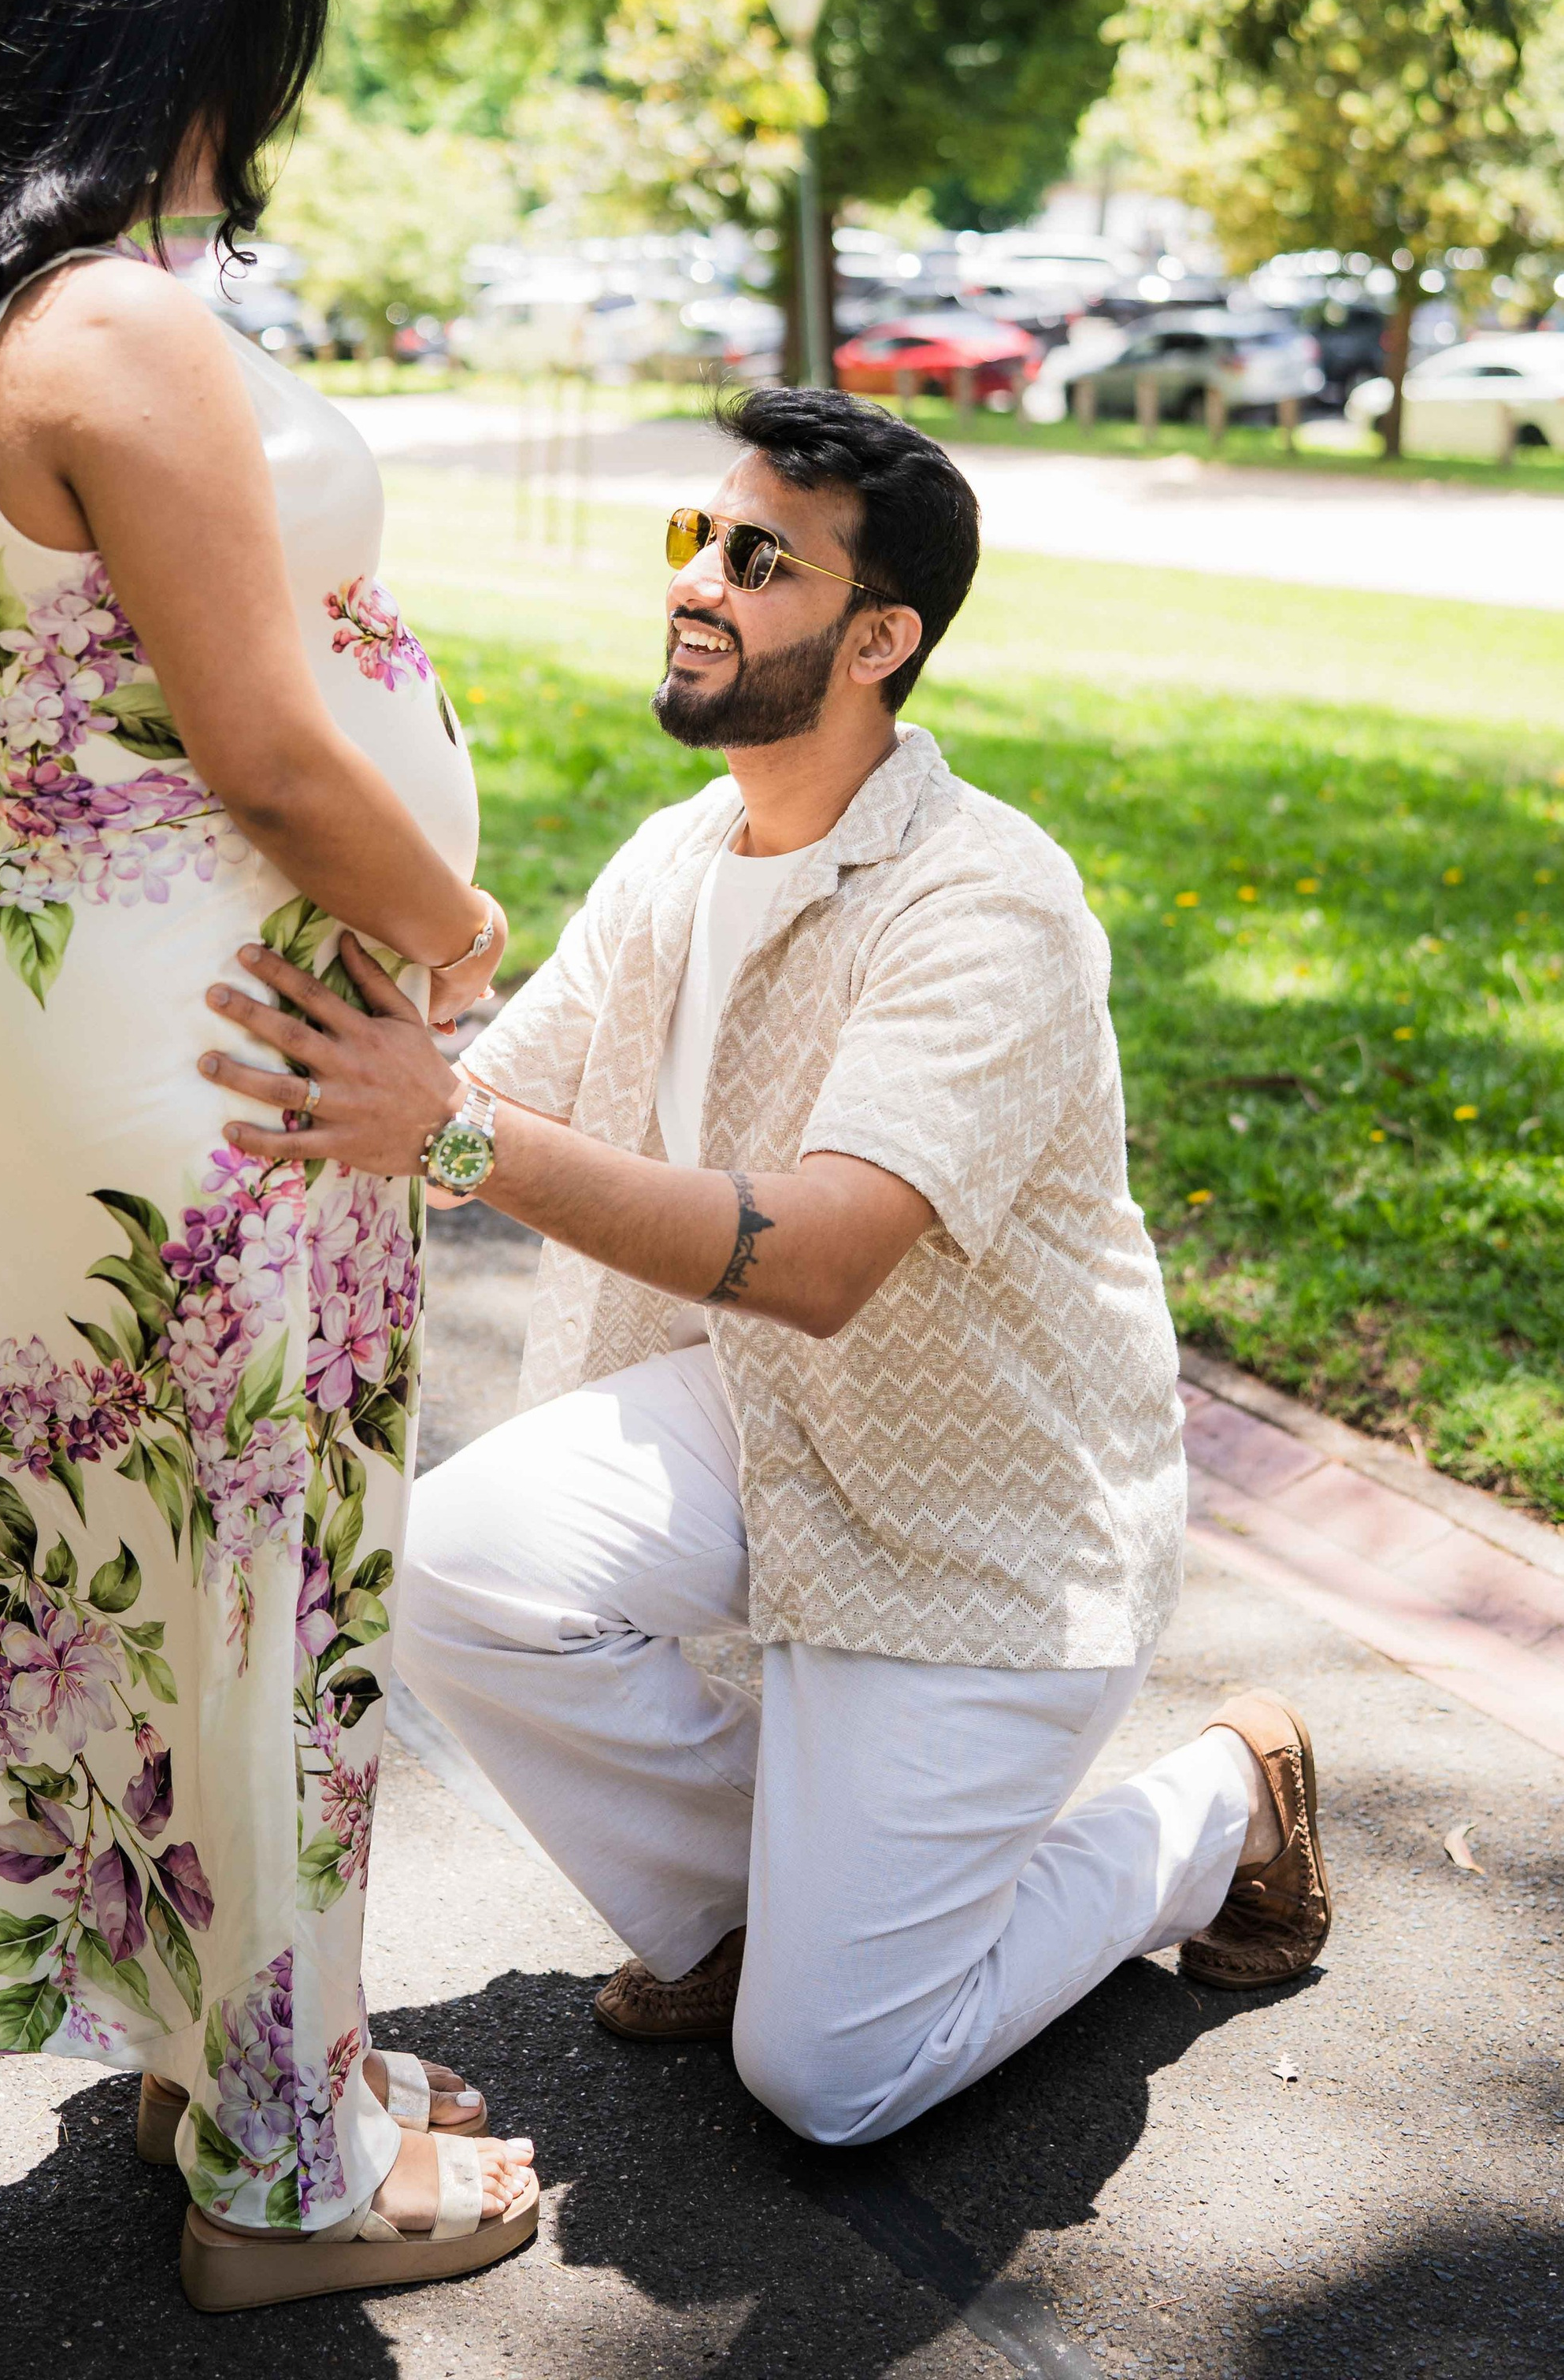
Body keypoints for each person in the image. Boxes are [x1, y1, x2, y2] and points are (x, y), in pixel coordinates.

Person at [193, 384, 1332, 2158]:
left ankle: (1213, 1806)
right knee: (462, 1564)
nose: (694, 581)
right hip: (767, 1432)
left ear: (880, 637)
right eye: (690, 540)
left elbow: (813, 1259)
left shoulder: (984, 901)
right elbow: (489, 1092)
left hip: (985, 1522)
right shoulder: (684, 851)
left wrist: (446, 1134)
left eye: (755, 559)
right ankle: (754, 1919)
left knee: (831, 2081)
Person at [0, 0, 537, 2311]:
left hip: (54, 991)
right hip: (223, 1026)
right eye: (245, 58)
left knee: (128, 1545)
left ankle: (230, 2052)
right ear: (155, 55)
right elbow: (278, 754)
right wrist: (447, 926)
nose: (257, 113)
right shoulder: (116, 323)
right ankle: (284, 2180)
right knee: (255, 1553)